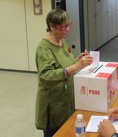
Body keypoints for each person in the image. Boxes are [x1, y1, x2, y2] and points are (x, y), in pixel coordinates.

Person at [35, 8, 93, 137]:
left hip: (66, 98)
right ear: (51, 26)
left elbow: (66, 62)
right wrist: (77, 66)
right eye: (63, 27)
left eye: (69, 26)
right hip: (54, 103)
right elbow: (46, 76)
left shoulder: (62, 41)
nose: (67, 30)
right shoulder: (44, 48)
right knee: (56, 133)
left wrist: (78, 59)